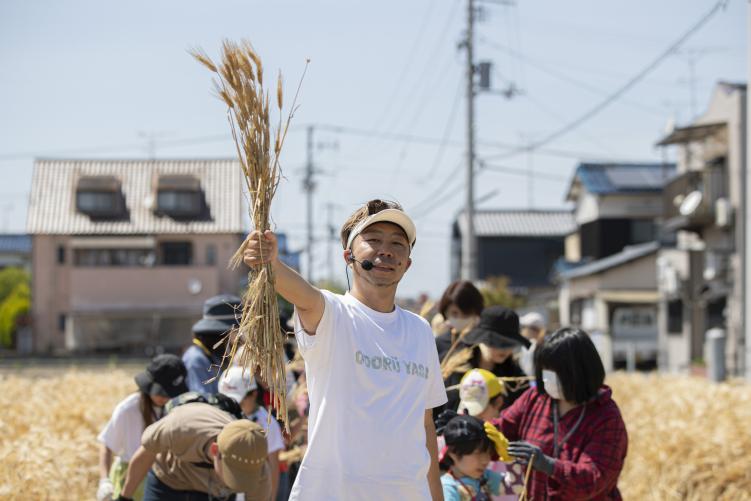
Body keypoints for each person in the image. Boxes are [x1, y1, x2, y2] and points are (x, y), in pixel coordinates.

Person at [243, 199, 447, 500]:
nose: (386, 250)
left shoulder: (421, 330)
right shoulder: (333, 314)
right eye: (373, 240)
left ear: (408, 262)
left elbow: (425, 424)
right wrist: (271, 263)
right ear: (348, 256)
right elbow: (304, 295)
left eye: (398, 244)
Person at [494, 327, 628, 500]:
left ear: (579, 372)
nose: (548, 378)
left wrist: (548, 465)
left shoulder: (606, 416)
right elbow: (501, 428)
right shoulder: (535, 399)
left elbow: (595, 478)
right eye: (544, 370)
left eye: (555, 371)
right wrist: (470, 428)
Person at [117, 401, 270, 501]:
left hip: (212, 494)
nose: (232, 482)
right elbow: (146, 452)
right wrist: (124, 497)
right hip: (167, 481)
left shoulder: (257, 466)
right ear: (215, 450)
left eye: (241, 477)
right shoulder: (181, 427)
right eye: (231, 473)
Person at [96, 354, 188, 501]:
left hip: (165, 479)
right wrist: (104, 480)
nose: (165, 398)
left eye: (170, 393)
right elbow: (107, 445)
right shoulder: (129, 409)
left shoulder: (179, 409)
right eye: (161, 392)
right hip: (129, 480)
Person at [443, 306, 530, 412]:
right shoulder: (455, 370)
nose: (504, 349)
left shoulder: (516, 380)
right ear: (480, 339)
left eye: (509, 344)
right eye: (497, 343)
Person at [219, 366, 284, 500]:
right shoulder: (219, 415)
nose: (232, 407)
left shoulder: (267, 424)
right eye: (227, 401)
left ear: (253, 394)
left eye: (238, 402)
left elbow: (273, 468)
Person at [183, 294, 241, 395]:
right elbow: (203, 401)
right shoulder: (196, 359)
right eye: (237, 330)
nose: (241, 335)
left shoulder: (218, 355)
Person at [438, 414, 505, 501]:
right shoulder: (447, 489)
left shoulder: (485, 476)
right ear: (453, 453)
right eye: (478, 453)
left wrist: (509, 457)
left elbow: (515, 487)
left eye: (489, 453)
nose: (485, 460)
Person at [433, 280, 485, 360]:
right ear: (445, 312)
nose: (460, 318)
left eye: (466, 313)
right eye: (454, 313)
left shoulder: (485, 343)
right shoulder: (437, 344)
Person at [518, 312, 546, 378]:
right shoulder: (529, 345)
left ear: (534, 330)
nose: (522, 330)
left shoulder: (531, 346)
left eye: (524, 327)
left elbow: (527, 371)